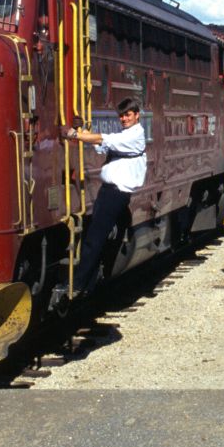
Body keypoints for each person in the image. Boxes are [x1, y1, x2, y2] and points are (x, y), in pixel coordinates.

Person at [61, 97, 146, 300]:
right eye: (122, 115)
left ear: (137, 115)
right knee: (96, 237)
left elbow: (103, 140)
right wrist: (83, 134)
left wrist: (74, 135)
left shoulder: (135, 136)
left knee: (95, 238)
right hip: (108, 192)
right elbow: (103, 144)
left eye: (128, 115)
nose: (124, 118)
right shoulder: (126, 134)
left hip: (116, 194)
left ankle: (78, 285)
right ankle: (89, 282)